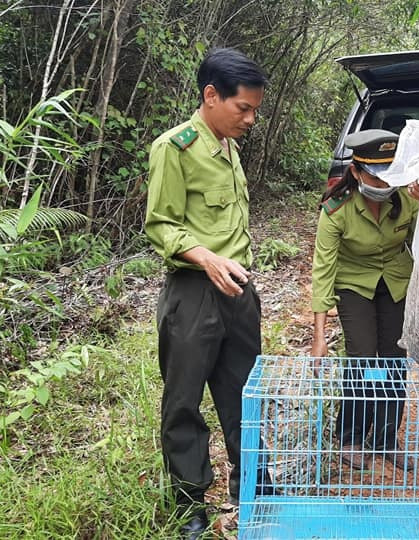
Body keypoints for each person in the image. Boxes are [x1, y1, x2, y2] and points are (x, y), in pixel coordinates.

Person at [144, 47, 268, 540]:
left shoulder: (230, 147)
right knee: (184, 401)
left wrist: (233, 270)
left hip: (238, 292)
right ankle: (190, 503)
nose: (251, 119)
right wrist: (206, 257)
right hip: (194, 293)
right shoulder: (174, 148)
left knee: (244, 394)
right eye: (244, 108)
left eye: (255, 110)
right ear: (211, 96)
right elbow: (160, 225)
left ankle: (252, 486)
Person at [310, 129, 419, 472]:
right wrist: (318, 338)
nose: (383, 183)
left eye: (389, 174)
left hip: (396, 282)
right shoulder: (336, 209)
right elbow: (323, 270)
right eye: (375, 174)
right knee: (361, 358)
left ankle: (385, 438)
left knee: (392, 360)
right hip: (354, 284)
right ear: (356, 172)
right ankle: (352, 436)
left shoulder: (406, 199)